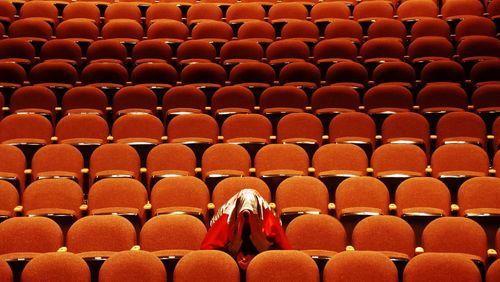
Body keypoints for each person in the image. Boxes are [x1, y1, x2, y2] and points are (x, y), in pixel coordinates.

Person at [201, 189, 291, 269]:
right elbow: (210, 252)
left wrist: (256, 257)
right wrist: (234, 255)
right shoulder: (227, 221)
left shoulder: (269, 222)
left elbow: (282, 254)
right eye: (244, 213)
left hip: (263, 264)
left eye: (252, 212)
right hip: (229, 265)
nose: (247, 216)